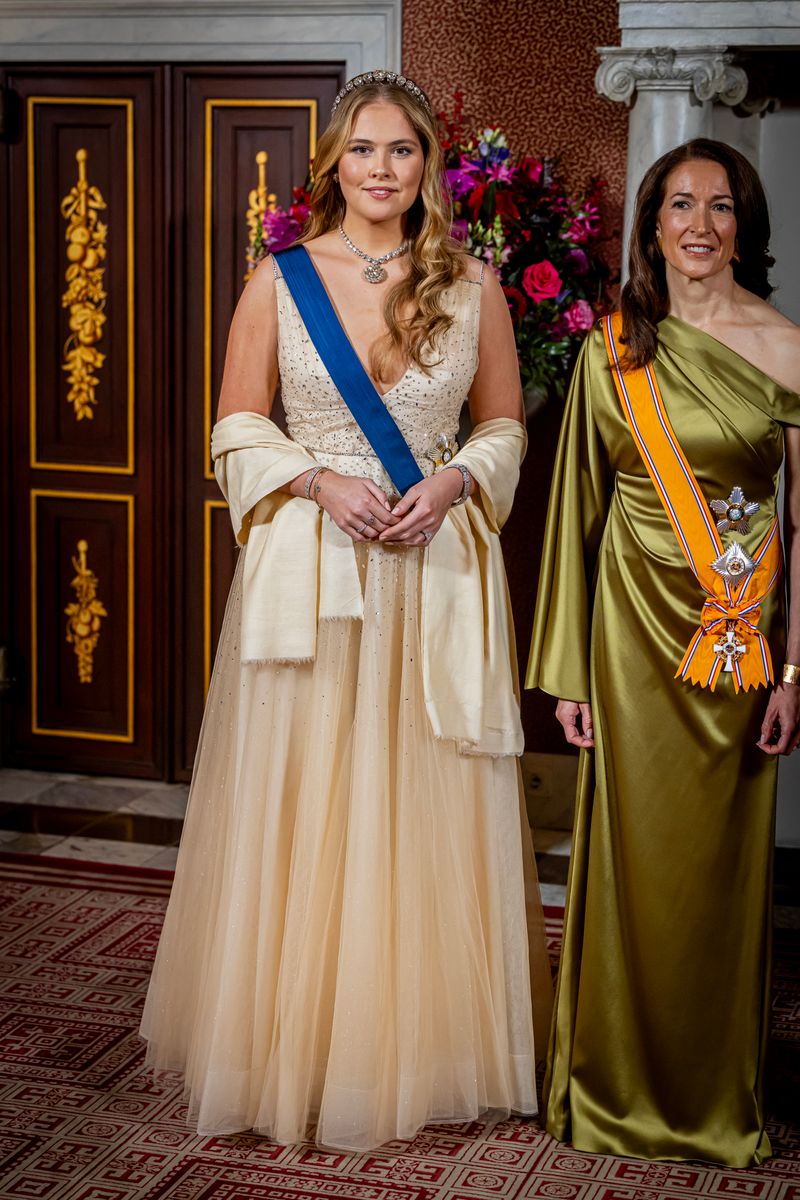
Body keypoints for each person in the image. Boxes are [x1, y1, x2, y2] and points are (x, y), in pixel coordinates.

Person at [141, 70, 552, 1152]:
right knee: (310, 803)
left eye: (402, 151)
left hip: (430, 572)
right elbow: (233, 424)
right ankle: (292, 1047)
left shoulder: (473, 286)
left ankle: (417, 1049)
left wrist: (454, 483)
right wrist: (319, 483)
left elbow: (504, 426)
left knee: (418, 803)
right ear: (334, 163)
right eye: (363, 150)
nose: (382, 169)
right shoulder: (278, 279)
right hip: (313, 569)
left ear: (428, 165)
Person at [527, 138, 800, 1166]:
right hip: (629, 648)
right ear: (649, 227)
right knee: (627, 865)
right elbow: (573, 519)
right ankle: (607, 1087)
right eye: (677, 205)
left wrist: (790, 669)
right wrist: (564, 677)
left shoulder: (784, 349)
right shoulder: (613, 351)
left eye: (719, 206)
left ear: (744, 225)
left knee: (718, 876)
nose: (697, 224)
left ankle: (709, 1094)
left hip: (733, 655)